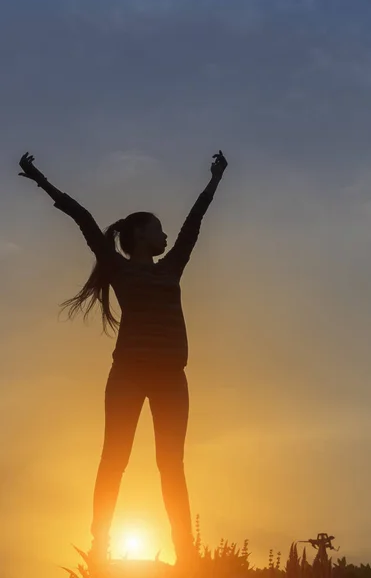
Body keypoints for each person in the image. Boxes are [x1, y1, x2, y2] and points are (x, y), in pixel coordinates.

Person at [18, 149, 228, 566]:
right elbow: (84, 220)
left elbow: (194, 222)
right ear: (140, 236)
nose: (166, 236)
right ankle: (101, 545)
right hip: (129, 374)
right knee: (114, 458)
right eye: (159, 229)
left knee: (172, 466)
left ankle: (186, 553)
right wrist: (41, 180)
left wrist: (215, 180)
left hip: (171, 377)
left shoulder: (172, 268)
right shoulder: (117, 267)